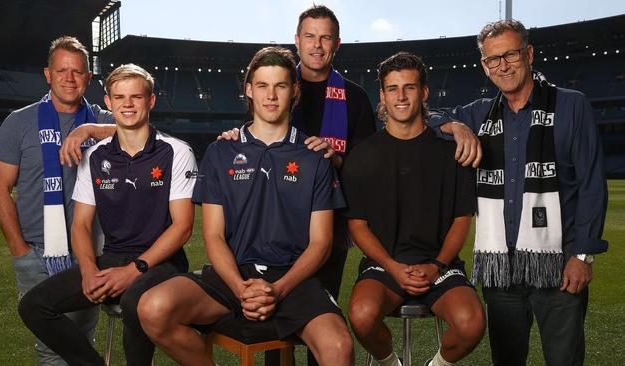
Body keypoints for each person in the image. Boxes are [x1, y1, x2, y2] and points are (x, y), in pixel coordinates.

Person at [137, 46, 354, 366]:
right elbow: (213, 236)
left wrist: (277, 290)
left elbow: (321, 243)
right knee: (152, 308)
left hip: (293, 280)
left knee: (339, 347)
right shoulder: (220, 152)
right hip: (230, 276)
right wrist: (241, 289)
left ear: (294, 91)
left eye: (280, 85)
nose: (271, 95)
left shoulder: (315, 158)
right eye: (262, 86)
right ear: (249, 90)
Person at [434, 20, 608, 365]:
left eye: (510, 55)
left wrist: (583, 256)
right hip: (502, 269)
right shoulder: (479, 113)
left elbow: (591, 183)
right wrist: (456, 127)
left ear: (528, 54)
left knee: (564, 360)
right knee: (507, 359)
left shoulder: (571, 105)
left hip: (559, 264)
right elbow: (424, 117)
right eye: (493, 59)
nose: (503, 65)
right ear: (484, 66)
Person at [18, 63, 196, 366]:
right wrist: (88, 269)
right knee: (34, 305)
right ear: (109, 102)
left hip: (162, 263)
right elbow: (81, 224)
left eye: (136, 97)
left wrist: (132, 271)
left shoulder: (176, 151)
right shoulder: (95, 156)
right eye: (120, 97)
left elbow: (183, 227)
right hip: (113, 257)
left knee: (133, 301)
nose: (128, 104)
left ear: (150, 101)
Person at [343, 52, 485, 366]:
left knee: (471, 323)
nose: (401, 96)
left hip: (440, 266)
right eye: (392, 88)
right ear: (382, 95)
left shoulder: (452, 152)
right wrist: (394, 268)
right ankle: (391, 363)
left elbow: (462, 219)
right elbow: (357, 226)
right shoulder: (363, 154)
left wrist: (436, 265)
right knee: (362, 316)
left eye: (409, 87)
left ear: (424, 93)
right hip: (385, 268)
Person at [0, 36, 113, 365]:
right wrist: (19, 251)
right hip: (37, 252)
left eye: (77, 72)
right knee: (51, 348)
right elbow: (0, 189)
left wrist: (88, 129)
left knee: (80, 340)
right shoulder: (19, 122)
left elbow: (141, 130)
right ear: (48, 74)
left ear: (89, 77)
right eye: (62, 70)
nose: (69, 78)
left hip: (90, 253)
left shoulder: (101, 119)